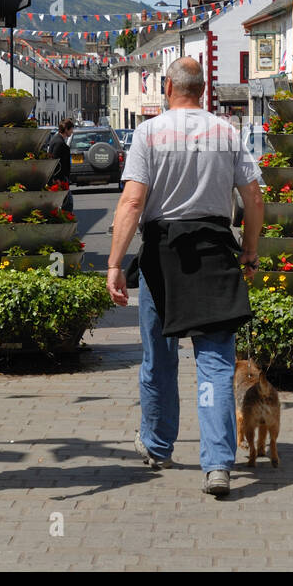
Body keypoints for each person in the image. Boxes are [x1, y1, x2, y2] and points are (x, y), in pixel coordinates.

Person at [106, 58, 263, 499]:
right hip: (215, 251)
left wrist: (115, 263)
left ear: (168, 86)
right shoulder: (227, 132)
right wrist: (249, 251)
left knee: (159, 357)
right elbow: (253, 196)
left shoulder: (149, 133)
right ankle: (217, 466)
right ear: (205, 87)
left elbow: (132, 203)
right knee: (214, 365)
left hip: (163, 255)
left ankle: (157, 445)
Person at [46, 119, 75, 212]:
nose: (72, 132)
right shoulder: (59, 143)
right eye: (71, 129)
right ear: (66, 129)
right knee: (68, 203)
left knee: (66, 202)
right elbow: (56, 162)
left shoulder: (57, 140)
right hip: (60, 179)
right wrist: (57, 179)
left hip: (61, 178)